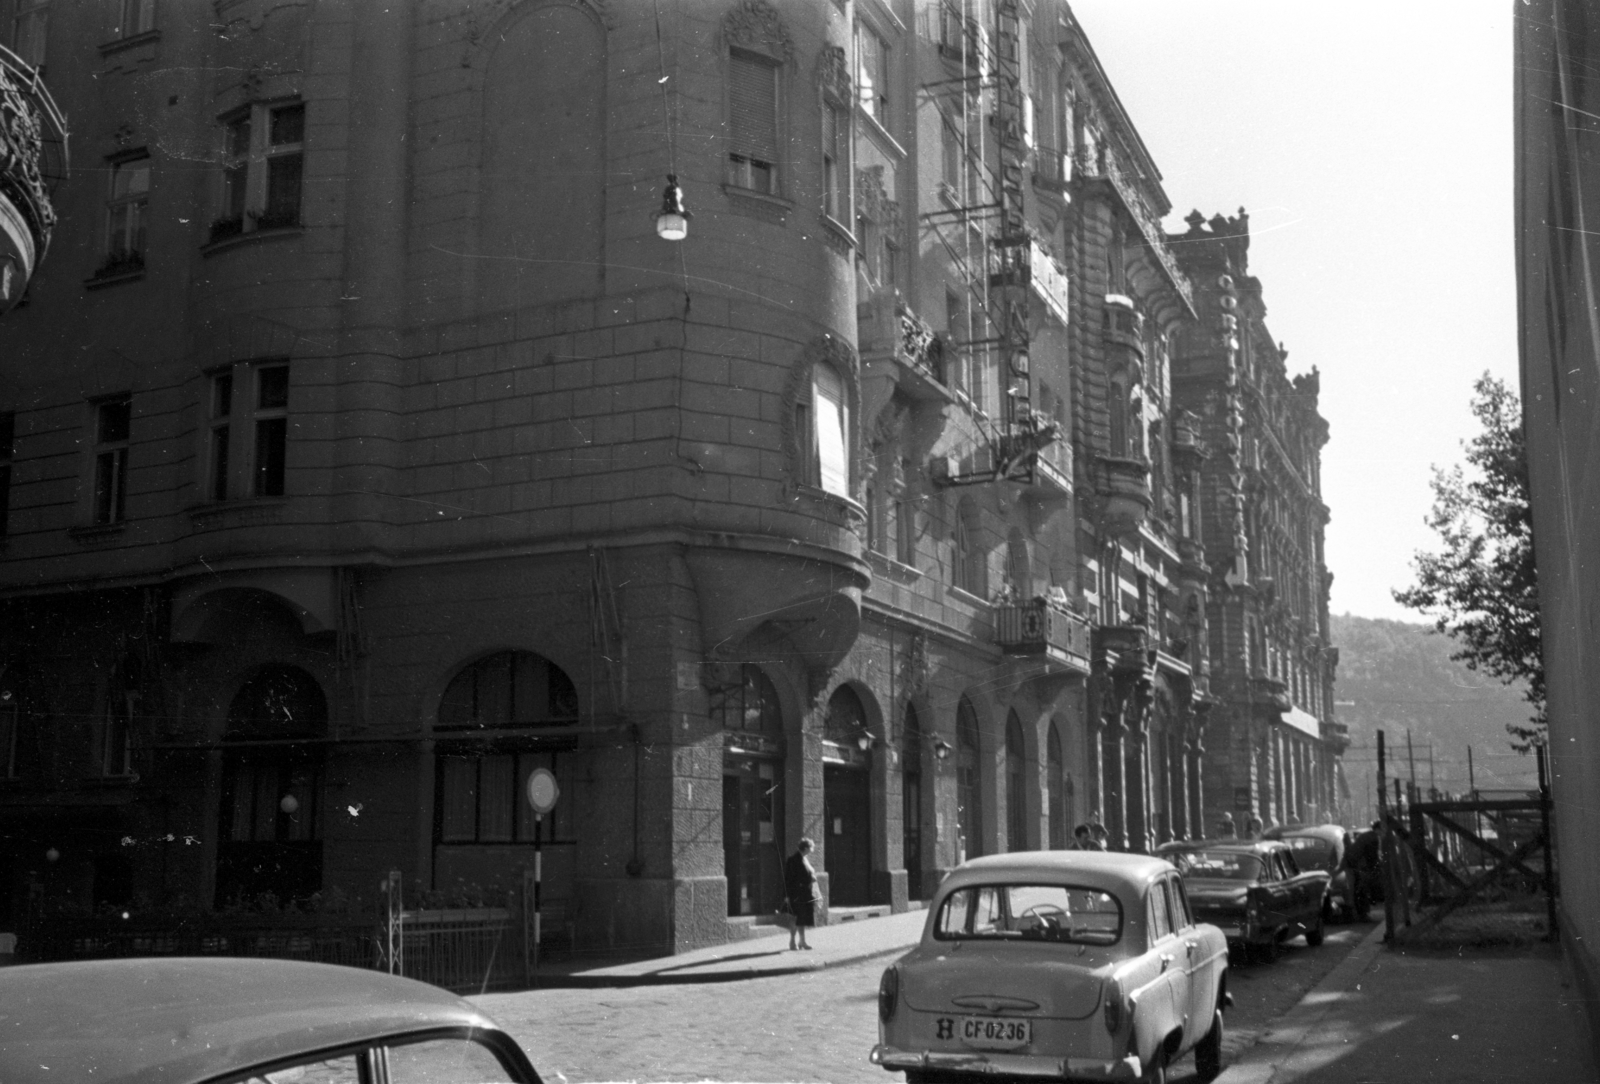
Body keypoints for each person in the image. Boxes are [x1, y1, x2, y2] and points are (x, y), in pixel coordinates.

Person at [784, 837, 820, 950]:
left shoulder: (805, 858)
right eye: (811, 847)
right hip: (797, 893)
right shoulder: (793, 859)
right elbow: (788, 879)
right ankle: (792, 942)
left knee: (802, 918)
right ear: (805, 848)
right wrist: (787, 896)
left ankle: (802, 942)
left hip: (805, 893)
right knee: (795, 918)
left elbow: (807, 873)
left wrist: (812, 878)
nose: (813, 849)